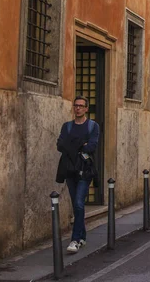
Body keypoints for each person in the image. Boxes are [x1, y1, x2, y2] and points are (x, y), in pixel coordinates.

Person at [56, 96, 100, 254]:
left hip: (85, 170)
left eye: (81, 106)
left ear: (87, 109)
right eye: (76, 106)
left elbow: (92, 146)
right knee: (76, 204)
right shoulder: (66, 126)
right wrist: (81, 144)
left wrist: (73, 145)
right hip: (69, 170)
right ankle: (82, 236)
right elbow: (60, 145)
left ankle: (74, 240)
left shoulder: (93, 126)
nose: (78, 108)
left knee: (79, 203)